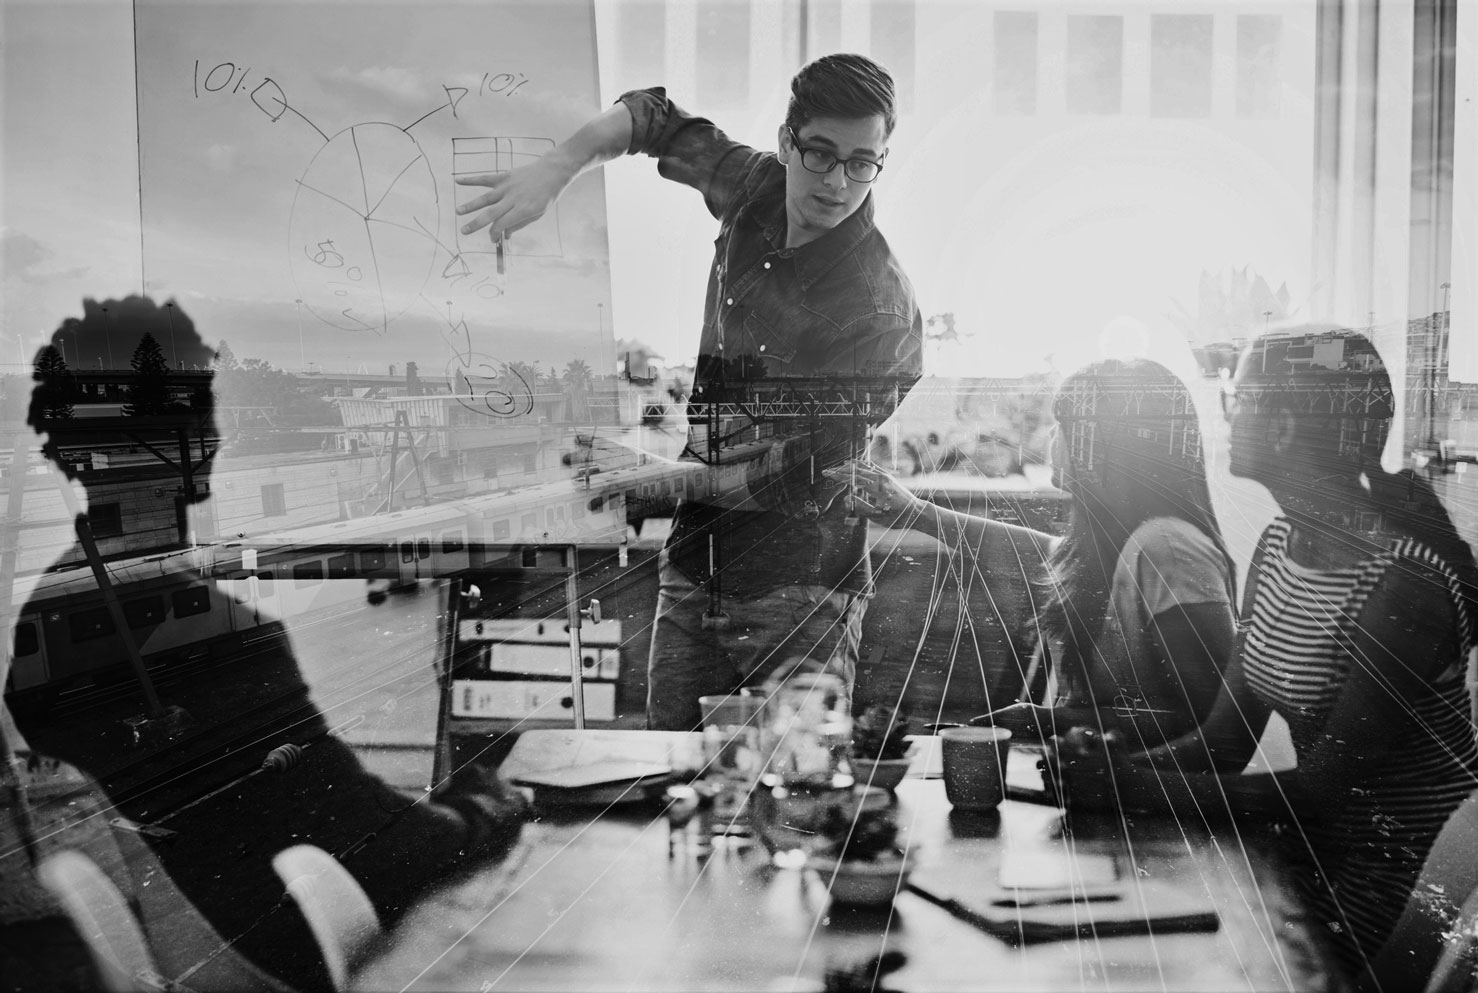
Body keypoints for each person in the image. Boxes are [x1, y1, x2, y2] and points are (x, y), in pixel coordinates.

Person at [3, 296, 530, 990]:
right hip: (296, 941)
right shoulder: (205, 629)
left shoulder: (51, 614)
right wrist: (494, 811)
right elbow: (378, 845)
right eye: (193, 414)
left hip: (205, 932)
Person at [457, 54, 923, 730]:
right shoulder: (756, 184)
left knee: (793, 799)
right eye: (820, 154)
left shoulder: (880, 310)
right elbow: (652, 116)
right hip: (694, 567)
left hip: (801, 595)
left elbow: (795, 476)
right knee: (664, 790)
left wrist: (657, 481)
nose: (837, 181)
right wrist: (557, 167)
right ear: (788, 142)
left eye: (862, 162)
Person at [1048, 328, 1478, 982]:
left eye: (1239, 397)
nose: (1226, 413)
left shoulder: (1403, 584)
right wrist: (1110, 767)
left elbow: (1324, 791)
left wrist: (1132, 786)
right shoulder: (1279, 544)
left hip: (1386, 882)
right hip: (1309, 850)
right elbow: (1222, 741)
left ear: (1281, 426)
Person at [845, 358, 1237, 751]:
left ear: (1110, 443)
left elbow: (1207, 722)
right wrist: (913, 511)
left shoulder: (1168, 547)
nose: (1051, 436)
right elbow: (1041, 551)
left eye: (1064, 426)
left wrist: (1046, 720)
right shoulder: (1116, 540)